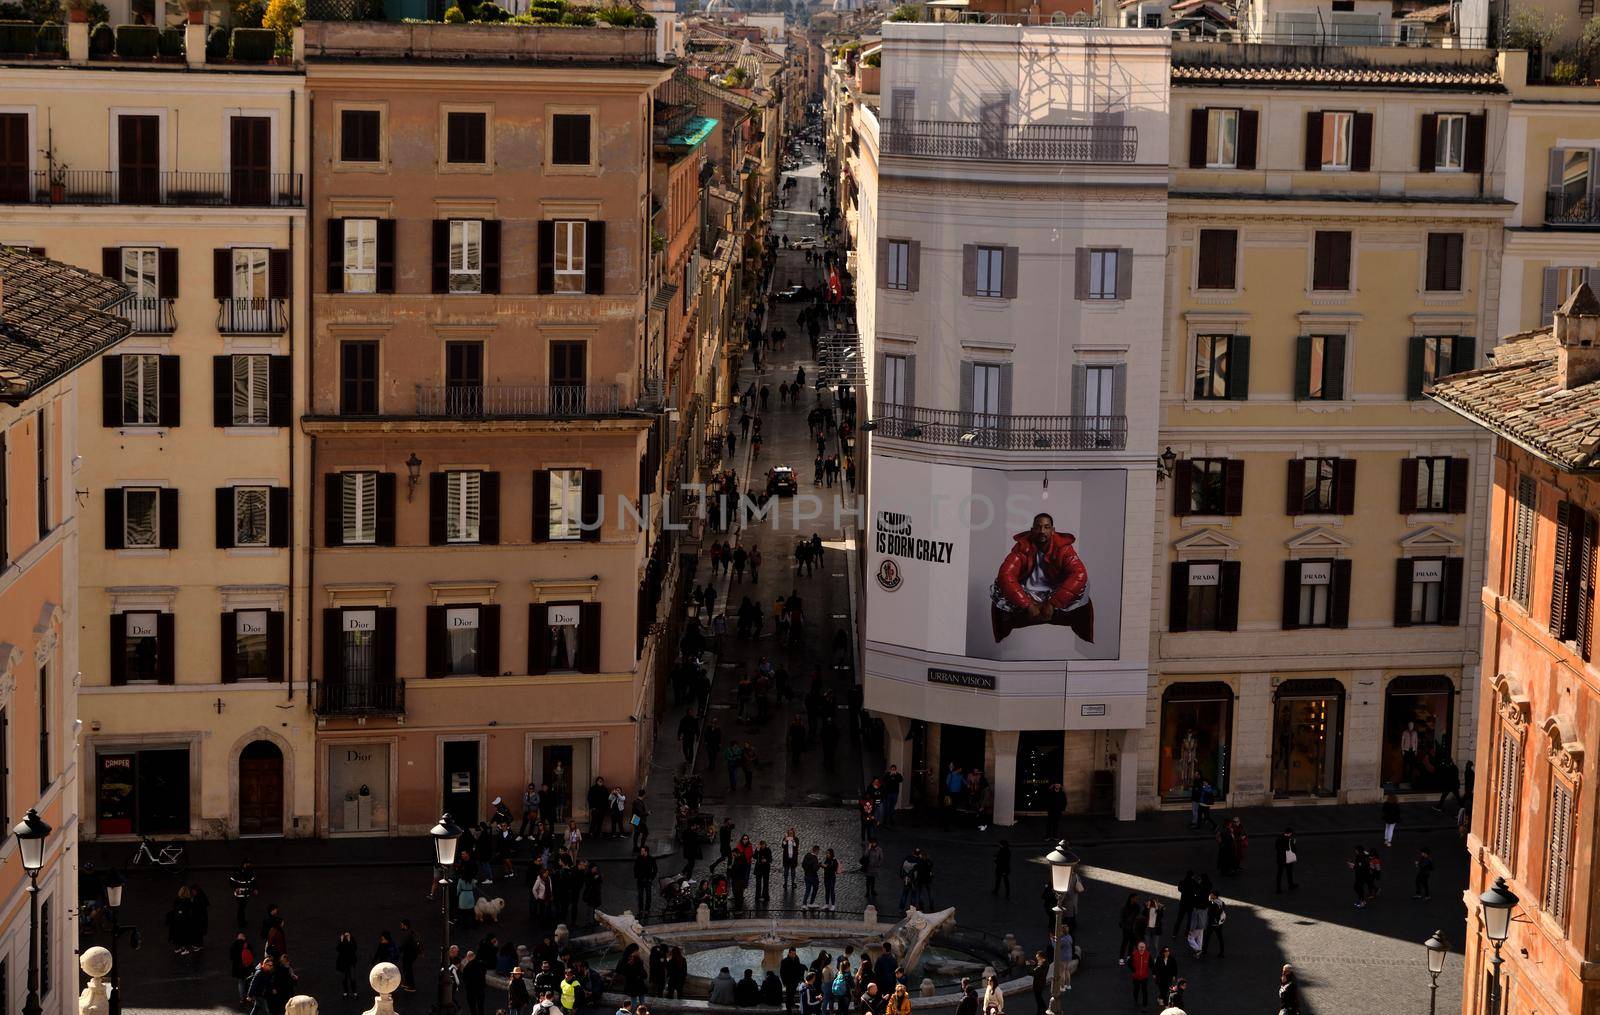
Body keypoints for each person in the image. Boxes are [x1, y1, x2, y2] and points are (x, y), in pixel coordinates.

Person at [989, 513, 1094, 644]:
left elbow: (1079, 574)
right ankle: (1001, 640)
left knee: (1084, 585)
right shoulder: (1022, 547)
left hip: (1055, 593)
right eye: (1038, 527)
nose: (1042, 531)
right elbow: (1006, 575)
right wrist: (1027, 604)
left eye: (1046, 527)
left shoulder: (1064, 548)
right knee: (999, 586)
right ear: (1032, 530)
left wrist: (1052, 603)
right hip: (1027, 593)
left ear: (1053, 530)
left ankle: (1085, 641)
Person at [230, 860, 258, 931]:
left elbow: (253, 881)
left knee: (242, 907)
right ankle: (241, 922)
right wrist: (236, 887)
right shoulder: (239, 872)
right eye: (247, 864)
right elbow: (232, 881)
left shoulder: (250, 872)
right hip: (240, 894)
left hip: (246, 893)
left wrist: (255, 889)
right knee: (241, 908)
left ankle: (242, 921)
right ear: (244, 864)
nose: (249, 865)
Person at [230, 932, 256, 1002]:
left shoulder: (233, 945)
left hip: (238, 968)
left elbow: (231, 957)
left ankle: (242, 998)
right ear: (244, 938)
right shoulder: (247, 944)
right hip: (247, 967)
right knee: (248, 982)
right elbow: (253, 955)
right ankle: (249, 996)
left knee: (240, 983)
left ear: (237, 938)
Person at [1202, 892, 1227, 958]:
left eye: (1212, 895)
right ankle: (1222, 953)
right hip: (1219, 924)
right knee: (1220, 938)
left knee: (1207, 938)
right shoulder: (1222, 902)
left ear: (1215, 896)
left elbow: (1209, 914)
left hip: (1212, 924)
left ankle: (1204, 952)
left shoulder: (1212, 904)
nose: (1210, 896)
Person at [1128, 941, 1152, 1009]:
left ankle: (1145, 1004)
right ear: (1137, 947)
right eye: (1140, 947)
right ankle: (1135, 1001)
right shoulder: (1134, 954)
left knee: (1144, 990)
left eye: (1143, 947)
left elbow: (1151, 964)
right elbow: (1129, 963)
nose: (1141, 948)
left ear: (1145, 948)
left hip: (1145, 976)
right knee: (1136, 990)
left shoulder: (1148, 954)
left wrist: (1154, 973)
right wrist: (1133, 970)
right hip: (1136, 977)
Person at [635, 846, 658, 913]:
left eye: (642, 851)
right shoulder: (638, 858)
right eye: (641, 851)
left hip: (648, 880)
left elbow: (655, 869)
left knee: (648, 896)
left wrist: (652, 878)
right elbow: (635, 868)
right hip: (640, 880)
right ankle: (641, 909)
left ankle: (647, 909)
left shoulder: (651, 859)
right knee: (640, 896)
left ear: (646, 851)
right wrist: (637, 876)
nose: (641, 852)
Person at [1274, 827, 1299, 893]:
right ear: (1290, 833)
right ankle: (1290, 885)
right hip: (1288, 858)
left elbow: (1276, 847)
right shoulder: (1290, 839)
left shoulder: (1279, 838)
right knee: (1289, 872)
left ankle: (1278, 888)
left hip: (1280, 858)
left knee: (1280, 873)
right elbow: (1293, 848)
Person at [861, 839, 884, 904]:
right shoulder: (869, 848)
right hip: (868, 867)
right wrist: (868, 848)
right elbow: (865, 855)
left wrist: (879, 864)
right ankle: (868, 891)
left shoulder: (879, 849)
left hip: (874, 868)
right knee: (868, 880)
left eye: (874, 843)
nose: (873, 844)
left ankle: (872, 890)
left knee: (873, 879)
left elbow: (881, 858)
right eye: (872, 843)